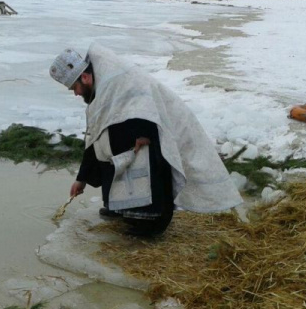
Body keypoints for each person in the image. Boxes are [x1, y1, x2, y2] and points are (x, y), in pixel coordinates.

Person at [49, 44, 243, 237]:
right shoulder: (101, 87)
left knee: (139, 169)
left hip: (151, 137)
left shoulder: (118, 81)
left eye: (75, 87)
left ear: (84, 77)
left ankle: (152, 222)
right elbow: (97, 135)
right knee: (105, 147)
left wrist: (142, 135)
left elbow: (144, 107)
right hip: (130, 138)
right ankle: (117, 207)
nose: (75, 93)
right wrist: (81, 180)